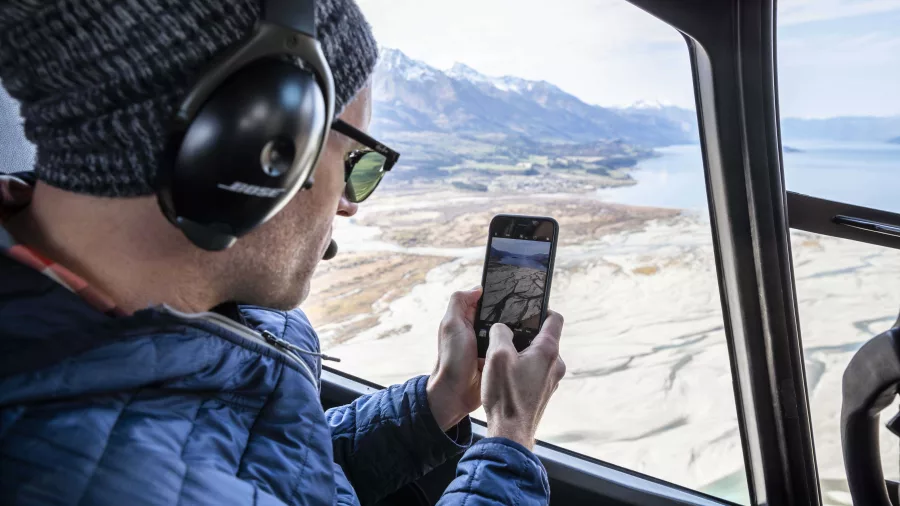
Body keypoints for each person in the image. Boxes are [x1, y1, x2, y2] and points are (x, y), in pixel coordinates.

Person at [0, 1, 567, 505]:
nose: (350, 206)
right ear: (256, 152)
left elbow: (281, 477)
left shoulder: (161, 326)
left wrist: (436, 401)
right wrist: (510, 437)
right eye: (356, 163)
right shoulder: (94, 480)